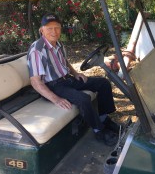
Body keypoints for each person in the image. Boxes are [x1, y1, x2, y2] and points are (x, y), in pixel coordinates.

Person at [27, 13, 120, 146]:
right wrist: (56, 99)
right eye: (49, 28)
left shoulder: (58, 44)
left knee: (103, 83)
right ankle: (99, 130)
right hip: (52, 86)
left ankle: (103, 119)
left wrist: (75, 73)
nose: (54, 31)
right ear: (41, 30)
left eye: (57, 27)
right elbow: (35, 82)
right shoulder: (37, 50)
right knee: (83, 99)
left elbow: (63, 61)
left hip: (67, 80)